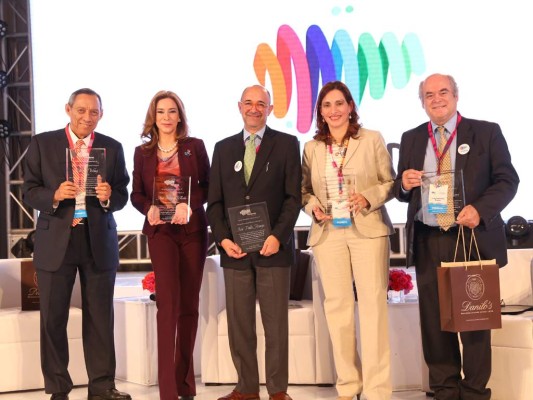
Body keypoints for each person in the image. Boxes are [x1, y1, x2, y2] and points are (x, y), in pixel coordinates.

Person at [393, 73, 519, 399]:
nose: (437, 99)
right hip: (428, 239)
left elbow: (507, 180)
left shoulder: (486, 132)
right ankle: (445, 391)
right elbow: (402, 191)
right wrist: (403, 184)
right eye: (429, 94)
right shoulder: (411, 138)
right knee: (436, 326)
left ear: (456, 95)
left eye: (443, 92)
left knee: (475, 322)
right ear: (422, 102)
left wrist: (480, 209)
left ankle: (475, 392)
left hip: (471, 239)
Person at [22, 88, 131, 400]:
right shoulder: (43, 143)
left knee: (100, 319)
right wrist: (54, 195)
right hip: (57, 239)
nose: (87, 117)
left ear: (101, 114)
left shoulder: (112, 146)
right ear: (68, 109)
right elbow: (29, 190)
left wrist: (111, 196)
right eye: (81, 110)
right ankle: (58, 389)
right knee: (53, 319)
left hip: (97, 241)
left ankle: (102, 387)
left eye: (93, 112)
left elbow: (123, 192)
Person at [207, 85, 301, 400]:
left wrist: (278, 235)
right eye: (248, 103)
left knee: (275, 326)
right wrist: (222, 239)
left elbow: (293, 198)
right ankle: (246, 388)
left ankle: (277, 391)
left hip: (273, 249)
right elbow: (214, 203)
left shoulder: (287, 144)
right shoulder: (222, 148)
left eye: (261, 103)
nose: (254, 108)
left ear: (270, 109)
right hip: (235, 252)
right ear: (239, 106)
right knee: (239, 325)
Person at [301, 81, 395, 400]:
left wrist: (367, 198)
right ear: (320, 112)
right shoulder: (312, 148)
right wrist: (312, 205)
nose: (334, 110)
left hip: (367, 231)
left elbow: (389, 182)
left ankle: (378, 389)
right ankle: (348, 385)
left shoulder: (371, 139)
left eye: (339, 103)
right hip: (328, 233)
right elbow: (303, 190)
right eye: (327, 105)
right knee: (338, 309)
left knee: (372, 309)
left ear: (351, 106)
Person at [130, 90, 209, 400]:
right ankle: (167, 391)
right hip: (160, 232)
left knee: (189, 307)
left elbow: (207, 185)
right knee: (168, 307)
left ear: (180, 116)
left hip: (192, 232)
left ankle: (185, 385)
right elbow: (137, 193)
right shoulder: (142, 152)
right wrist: (147, 207)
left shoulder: (195, 147)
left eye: (172, 111)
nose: (166, 117)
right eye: (161, 111)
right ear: (154, 116)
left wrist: (188, 205)